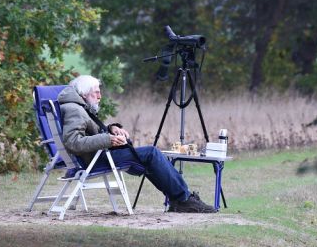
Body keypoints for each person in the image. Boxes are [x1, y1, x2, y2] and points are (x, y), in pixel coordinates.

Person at [57, 75, 216, 213]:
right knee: (151, 153)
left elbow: (90, 131)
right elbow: (73, 142)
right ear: (84, 94)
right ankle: (184, 199)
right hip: (96, 159)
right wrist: (108, 139)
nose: (100, 96)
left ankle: (180, 199)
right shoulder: (75, 110)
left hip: (98, 154)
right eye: (96, 92)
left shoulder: (78, 107)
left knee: (150, 157)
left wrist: (111, 130)